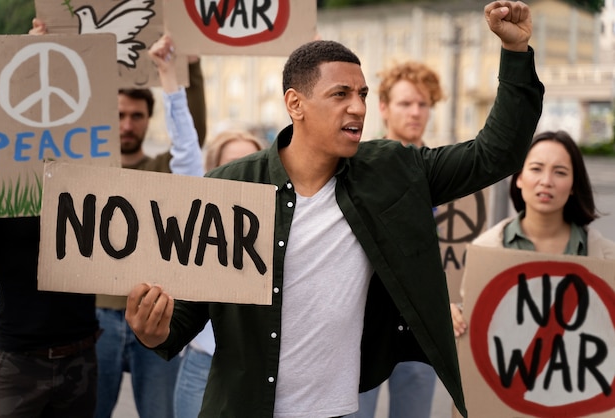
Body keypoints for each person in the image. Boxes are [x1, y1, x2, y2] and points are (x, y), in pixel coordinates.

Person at [125, 2, 543, 417]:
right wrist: (151, 329)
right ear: (296, 104)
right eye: (340, 94)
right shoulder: (229, 188)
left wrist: (516, 54)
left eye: (361, 94)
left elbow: (496, 154)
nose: (358, 107)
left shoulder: (393, 171)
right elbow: (184, 319)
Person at [94, 35, 203, 418]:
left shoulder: (160, 170)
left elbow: (194, 139)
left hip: (157, 313)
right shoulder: (90, 174)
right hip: (98, 319)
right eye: (120, 114)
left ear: (147, 120)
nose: (127, 124)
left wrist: (190, 66)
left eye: (136, 116)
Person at [450, 130, 615, 338]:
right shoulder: (486, 249)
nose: (546, 181)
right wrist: (456, 315)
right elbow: (476, 323)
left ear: (574, 185)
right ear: (518, 178)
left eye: (560, 172)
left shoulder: (607, 256)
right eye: (536, 169)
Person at [352, 61, 444, 418]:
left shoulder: (445, 173)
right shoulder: (357, 170)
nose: (416, 112)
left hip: (421, 324)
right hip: (364, 321)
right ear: (385, 108)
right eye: (406, 103)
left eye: (423, 104)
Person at [174, 129, 268, 418]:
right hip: (203, 366)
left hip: (258, 372)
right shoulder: (195, 224)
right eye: (233, 163)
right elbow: (185, 155)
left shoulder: (277, 231)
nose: (243, 171)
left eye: (253, 162)